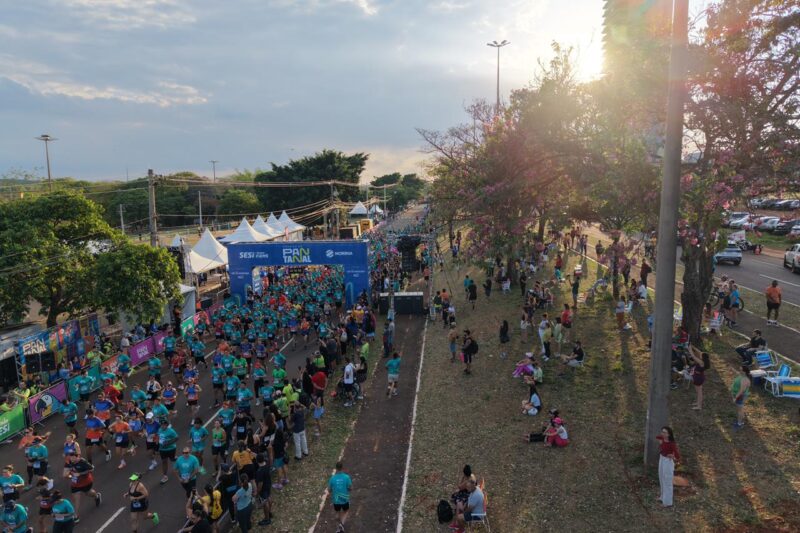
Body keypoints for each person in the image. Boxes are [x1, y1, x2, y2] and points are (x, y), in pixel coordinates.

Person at [65, 451, 101, 520]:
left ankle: (96, 496)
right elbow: (67, 470)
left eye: (73, 457)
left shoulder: (82, 462)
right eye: (70, 457)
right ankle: (76, 516)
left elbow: (92, 469)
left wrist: (80, 473)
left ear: (77, 457)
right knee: (76, 499)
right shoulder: (69, 462)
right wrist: (68, 474)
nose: (71, 459)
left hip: (85, 482)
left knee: (88, 493)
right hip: (75, 483)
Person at [656, 426, 680, 507]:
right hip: (661, 459)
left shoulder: (672, 444)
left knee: (667, 481)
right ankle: (662, 497)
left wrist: (673, 456)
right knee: (661, 478)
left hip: (667, 462)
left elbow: (677, 455)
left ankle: (667, 502)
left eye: (664, 432)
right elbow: (657, 437)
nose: (662, 433)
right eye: (662, 431)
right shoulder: (662, 439)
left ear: (669, 434)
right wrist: (661, 441)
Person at [328, 462, 352, 533]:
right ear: (342, 468)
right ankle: (341, 524)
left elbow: (329, 490)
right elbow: (350, 488)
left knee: (337, 513)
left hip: (336, 500)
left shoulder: (332, 478)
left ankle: (338, 528)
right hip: (345, 499)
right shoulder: (347, 477)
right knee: (346, 511)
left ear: (336, 468)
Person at [688, 346, 710, 410]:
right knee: (698, 392)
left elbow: (693, 357)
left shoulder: (701, 362)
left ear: (703, 357)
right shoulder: (704, 360)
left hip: (698, 378)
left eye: (701, 355)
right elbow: (700, 352)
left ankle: (699, 406)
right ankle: (697, 403)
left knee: (699, 393)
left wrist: (690, 350)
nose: (700, 354)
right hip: (698, 377)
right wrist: (692, 346)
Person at [253, 454, 272, 526]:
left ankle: (267, 519)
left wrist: (257, 492)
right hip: (268, 485)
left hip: (263, 489)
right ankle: (269, 512)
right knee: (269, 497)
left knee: (265, 503)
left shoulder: (259, 471)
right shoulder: (267, 464)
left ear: (257, 461)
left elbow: (260, 483)